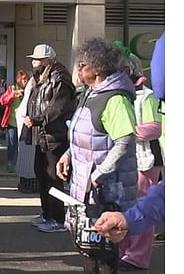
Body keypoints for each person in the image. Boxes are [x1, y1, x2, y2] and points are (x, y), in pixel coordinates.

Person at [55, 38, 138, 274]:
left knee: (104, 252)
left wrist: (100, 173)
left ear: (98, 69)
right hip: (87, 186)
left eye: (82, 65)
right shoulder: (89, 94)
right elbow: (83, 135)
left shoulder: (115, 99)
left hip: (106, 190)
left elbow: (124, 140)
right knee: (88, 247)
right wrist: (68, 154)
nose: (78, 69)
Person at [111, 52, 163, 271]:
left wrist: (126, 131)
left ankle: (138, 257)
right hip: (127, 160)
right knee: (125, 207)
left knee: (144, 207)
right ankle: (124, 252)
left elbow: (155, 128)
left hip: (146, 161)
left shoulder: (148, 96)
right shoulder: (121, 95)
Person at [24, 44, 76, 233]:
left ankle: (58, 218)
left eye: (37, 59)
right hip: (42, 135)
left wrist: (37, 119)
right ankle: (47, 214)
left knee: (54, 177)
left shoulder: (59, 78)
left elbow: (58, 107)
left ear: (47, 61)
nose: (33, 62)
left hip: (54, 135)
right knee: (42, 174)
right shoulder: (42, 78)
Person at [0, 70, 29, 173]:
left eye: (27, 79)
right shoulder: (12, 89)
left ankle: (20, 163)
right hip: (12, 122)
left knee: (22, 144)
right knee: (12, 143)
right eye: (23, 79)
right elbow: (3, 101)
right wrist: (13, 95)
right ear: (18, 80)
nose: (25, 81)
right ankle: (10, 163)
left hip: (24, 123)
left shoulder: (29, 90)